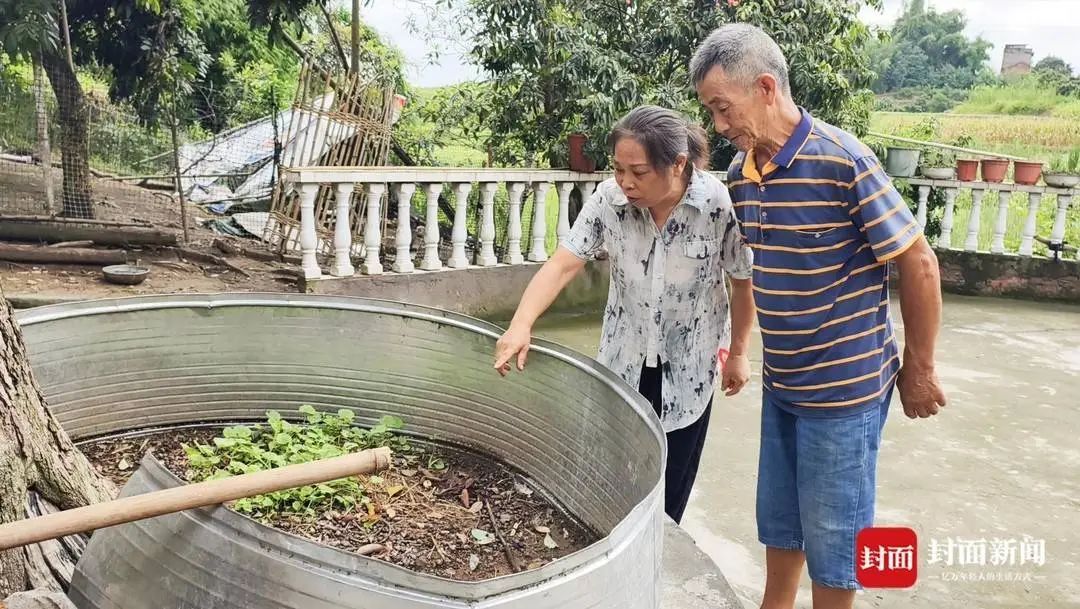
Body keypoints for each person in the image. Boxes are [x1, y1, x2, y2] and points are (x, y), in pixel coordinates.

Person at [690, 24, 947, 609]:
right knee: (781, 520)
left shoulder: (842, 160)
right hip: (784, 386)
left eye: (723, 108)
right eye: (711, 111)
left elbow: (920, 263)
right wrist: (746, 348)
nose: (721, 125)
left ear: (765, 87)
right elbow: (755, 271)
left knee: (835, 538)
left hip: (845, 390)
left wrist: (920, 367)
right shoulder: (742, 175)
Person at [493, 105, 755, 524]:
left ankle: (657, 569)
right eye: (618, 169)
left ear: (678, 164)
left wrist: (739, 352)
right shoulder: (609, 201)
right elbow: (563, 264)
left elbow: (743, 281)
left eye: (639, 172)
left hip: (689, 371)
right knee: (613, 480)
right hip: (623, 361)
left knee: (669, 498)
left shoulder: (716, 205)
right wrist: (521, 323)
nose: (625, 183)